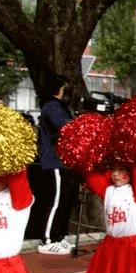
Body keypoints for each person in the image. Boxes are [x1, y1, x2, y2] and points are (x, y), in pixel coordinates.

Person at [35, 76, 77, 255]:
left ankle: (59, 236)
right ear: (60, 89)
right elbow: (65, 127)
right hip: (53, 160)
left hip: (61, 160)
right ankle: (46, 240)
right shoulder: (52, 107)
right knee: (55, 201)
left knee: (64, 201)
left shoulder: (56, 107)